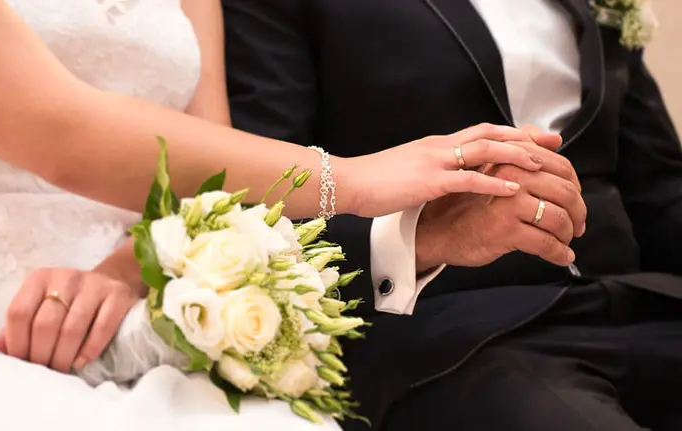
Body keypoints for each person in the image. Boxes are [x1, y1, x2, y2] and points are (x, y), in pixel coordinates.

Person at [0, 1, 551, 430]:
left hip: (143, 293)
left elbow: (203, 166)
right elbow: (57, 129)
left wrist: (127, 270)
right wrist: (352, 178)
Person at [222, 0, 682, 430]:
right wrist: (417, 237)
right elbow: (258, 210)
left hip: (638, 303)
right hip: (452, 335)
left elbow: (659, 188)